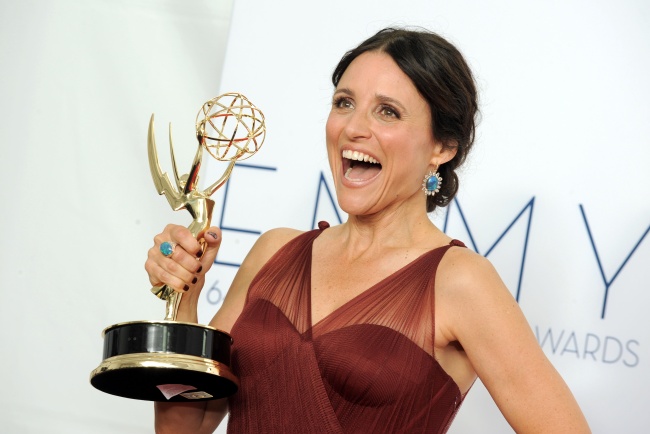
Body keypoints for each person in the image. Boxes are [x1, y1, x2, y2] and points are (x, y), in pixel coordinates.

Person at [146, 27, 591, 433]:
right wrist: (184, 299)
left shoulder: (460, 282)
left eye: (388, 112)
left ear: (442, 147)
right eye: (344, 103)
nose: (354, 128)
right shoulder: (273, 252)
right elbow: (184, 428)